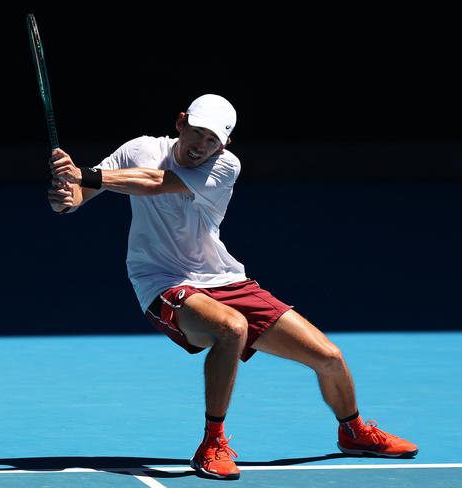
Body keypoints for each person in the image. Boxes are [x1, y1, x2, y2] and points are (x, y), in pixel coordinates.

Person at [47, 94, 418, 480]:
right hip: (162, 281)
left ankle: (354, 432)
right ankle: (212, 442)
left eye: (213, 139)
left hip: (225, 279)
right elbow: (79, 197)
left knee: (329, 357)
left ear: (224, 146)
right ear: (180, 122)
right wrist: (65, 196)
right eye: (198, 133)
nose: (202, 145)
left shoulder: (225, 166)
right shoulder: (139, 150)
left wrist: (83, 173)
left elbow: (156, 183)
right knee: (231, 329)